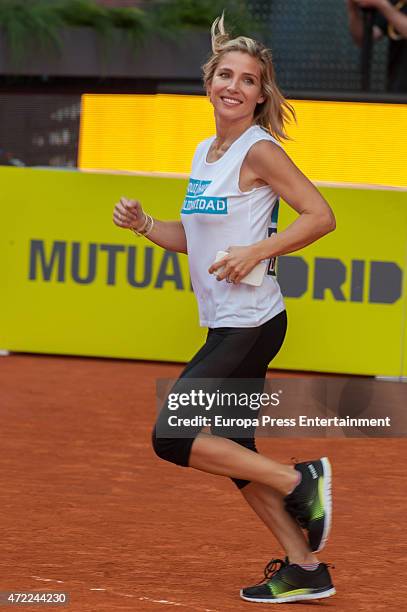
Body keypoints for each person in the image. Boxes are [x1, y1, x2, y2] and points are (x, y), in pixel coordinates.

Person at [113, 14, 336, 604]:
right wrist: (146, 226)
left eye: (248, 79)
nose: (234, 86)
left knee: (172, 435)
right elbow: (196, 237)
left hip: (252, 321)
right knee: (238, 455)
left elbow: (320, 216)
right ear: (209, 82)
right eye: (225, 75)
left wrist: (258, 251)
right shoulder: (205, 150)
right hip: (228, 321)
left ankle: (300, 481)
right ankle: (306, 567)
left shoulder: (260, 150)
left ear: (262, 94)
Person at [347, 0, 407, 92]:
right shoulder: (397, 4)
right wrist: (352, 8)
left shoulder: (387, 6)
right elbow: (363, 39)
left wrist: (381, 4)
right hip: (397, 93)